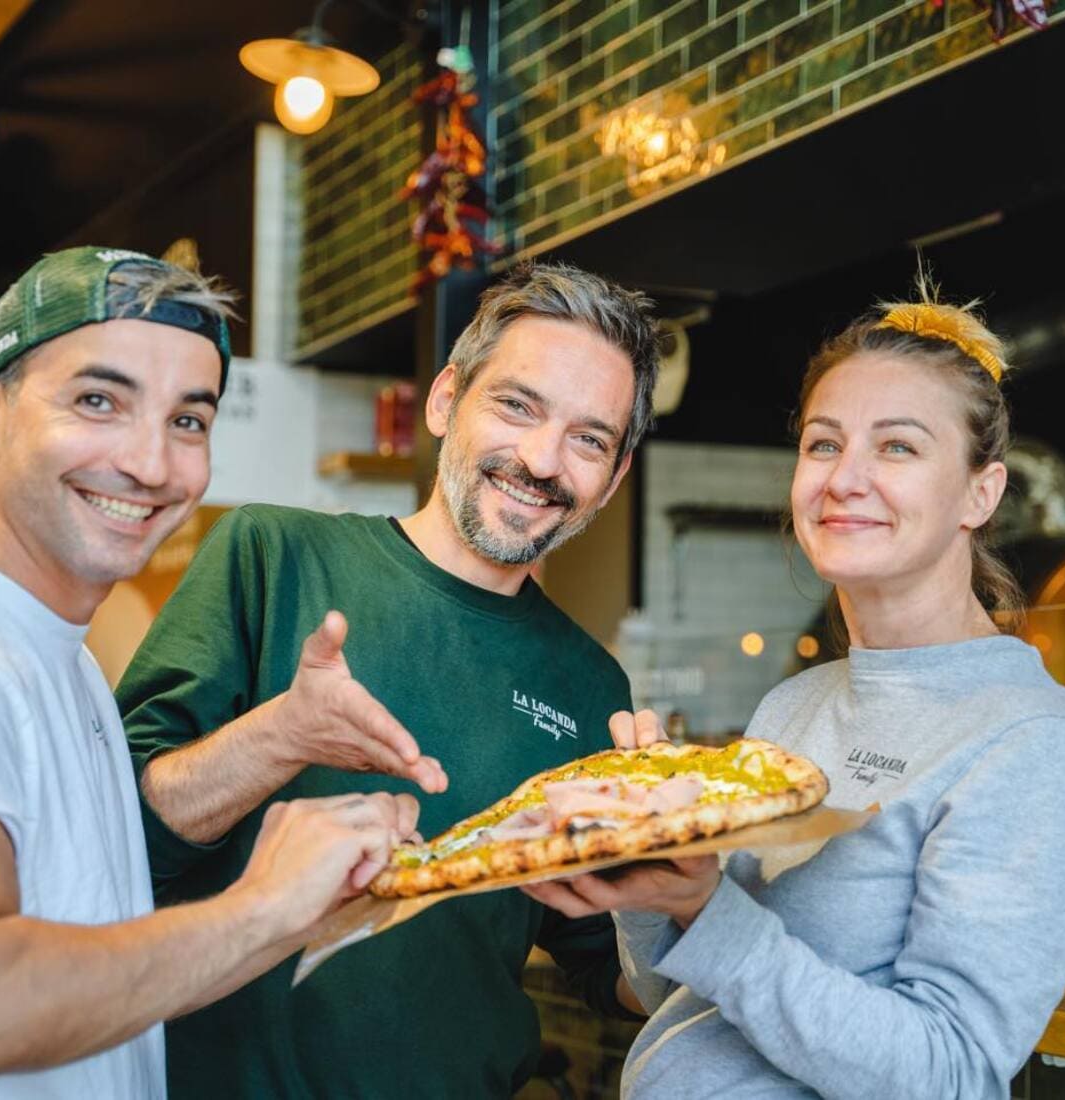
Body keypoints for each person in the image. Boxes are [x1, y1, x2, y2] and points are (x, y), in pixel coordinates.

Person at [0, 247, 416, 1098]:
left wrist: (301, 909)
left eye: (188, 421)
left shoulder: (50, 653)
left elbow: (95, 967)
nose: (149, 462)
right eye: (98, 401)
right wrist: (265, 905)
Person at [525, 287, 1065, 1098]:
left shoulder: (1030, 744)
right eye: (823, 444)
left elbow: (944, 1071)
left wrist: (707, 910)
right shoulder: (797, 705)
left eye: (898, 448)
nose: (846, 479)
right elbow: (682, 998)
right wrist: (648, 864)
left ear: (981, 493)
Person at [116, 260, 662, 1097]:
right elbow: (115, 840)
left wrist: (677, 873)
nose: (542, 459)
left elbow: (607, 975)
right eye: (517, 406)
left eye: (589, 439)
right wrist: (279, 737)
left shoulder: (592, 685)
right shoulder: (270, 554)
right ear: (446, 402)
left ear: (615, 476)